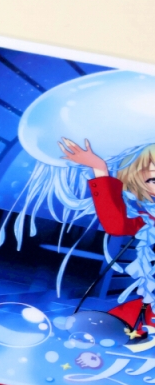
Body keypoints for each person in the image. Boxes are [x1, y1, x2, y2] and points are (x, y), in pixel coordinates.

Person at [59, 138, 155, 337]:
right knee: (117, 325)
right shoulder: (149, 218)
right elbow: (116, 224)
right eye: (152, 180)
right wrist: (99, 169)